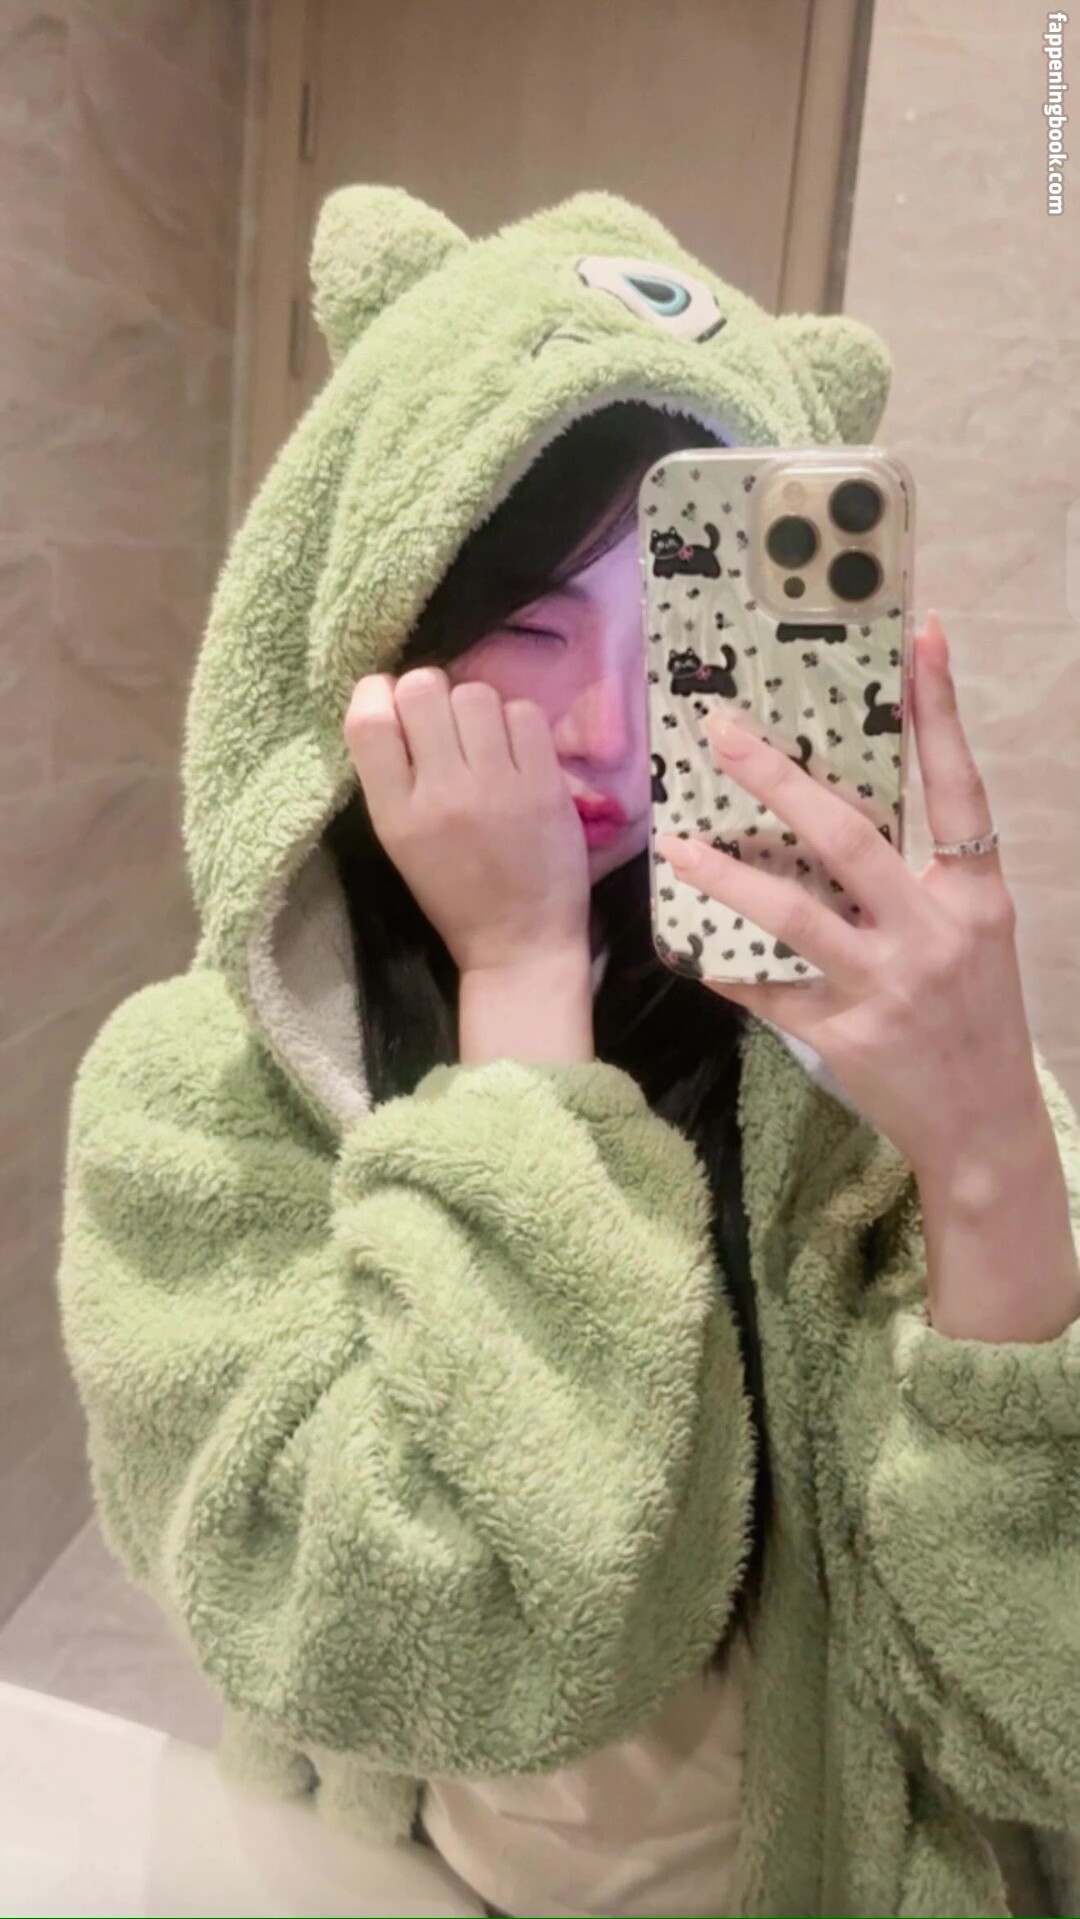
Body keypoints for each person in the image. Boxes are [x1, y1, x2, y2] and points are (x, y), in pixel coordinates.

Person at [58, 189, 1080, 1919]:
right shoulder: (200, 1105)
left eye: (681, 646)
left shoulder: (860, 1069)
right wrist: (521, 986)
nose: (606, 731)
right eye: (532, 628)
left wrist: (991, 1160)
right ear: (372, 620)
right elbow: (457, 1648)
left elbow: (1042, 1715)